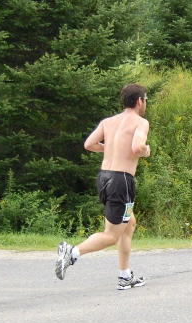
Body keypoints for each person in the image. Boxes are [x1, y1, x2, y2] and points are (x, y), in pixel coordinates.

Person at [55, 84, 151, 290]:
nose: (146, 103)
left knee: (129, 224)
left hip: (104, 178)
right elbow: (137, 147)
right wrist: (146, 150)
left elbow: (89, 144)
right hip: (121, 181)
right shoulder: (141, 122)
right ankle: (71, 253)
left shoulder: (108, 122)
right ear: (139, 101)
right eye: (146, 99)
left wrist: (112, 147)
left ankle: (125, 276)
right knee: (112, 234)